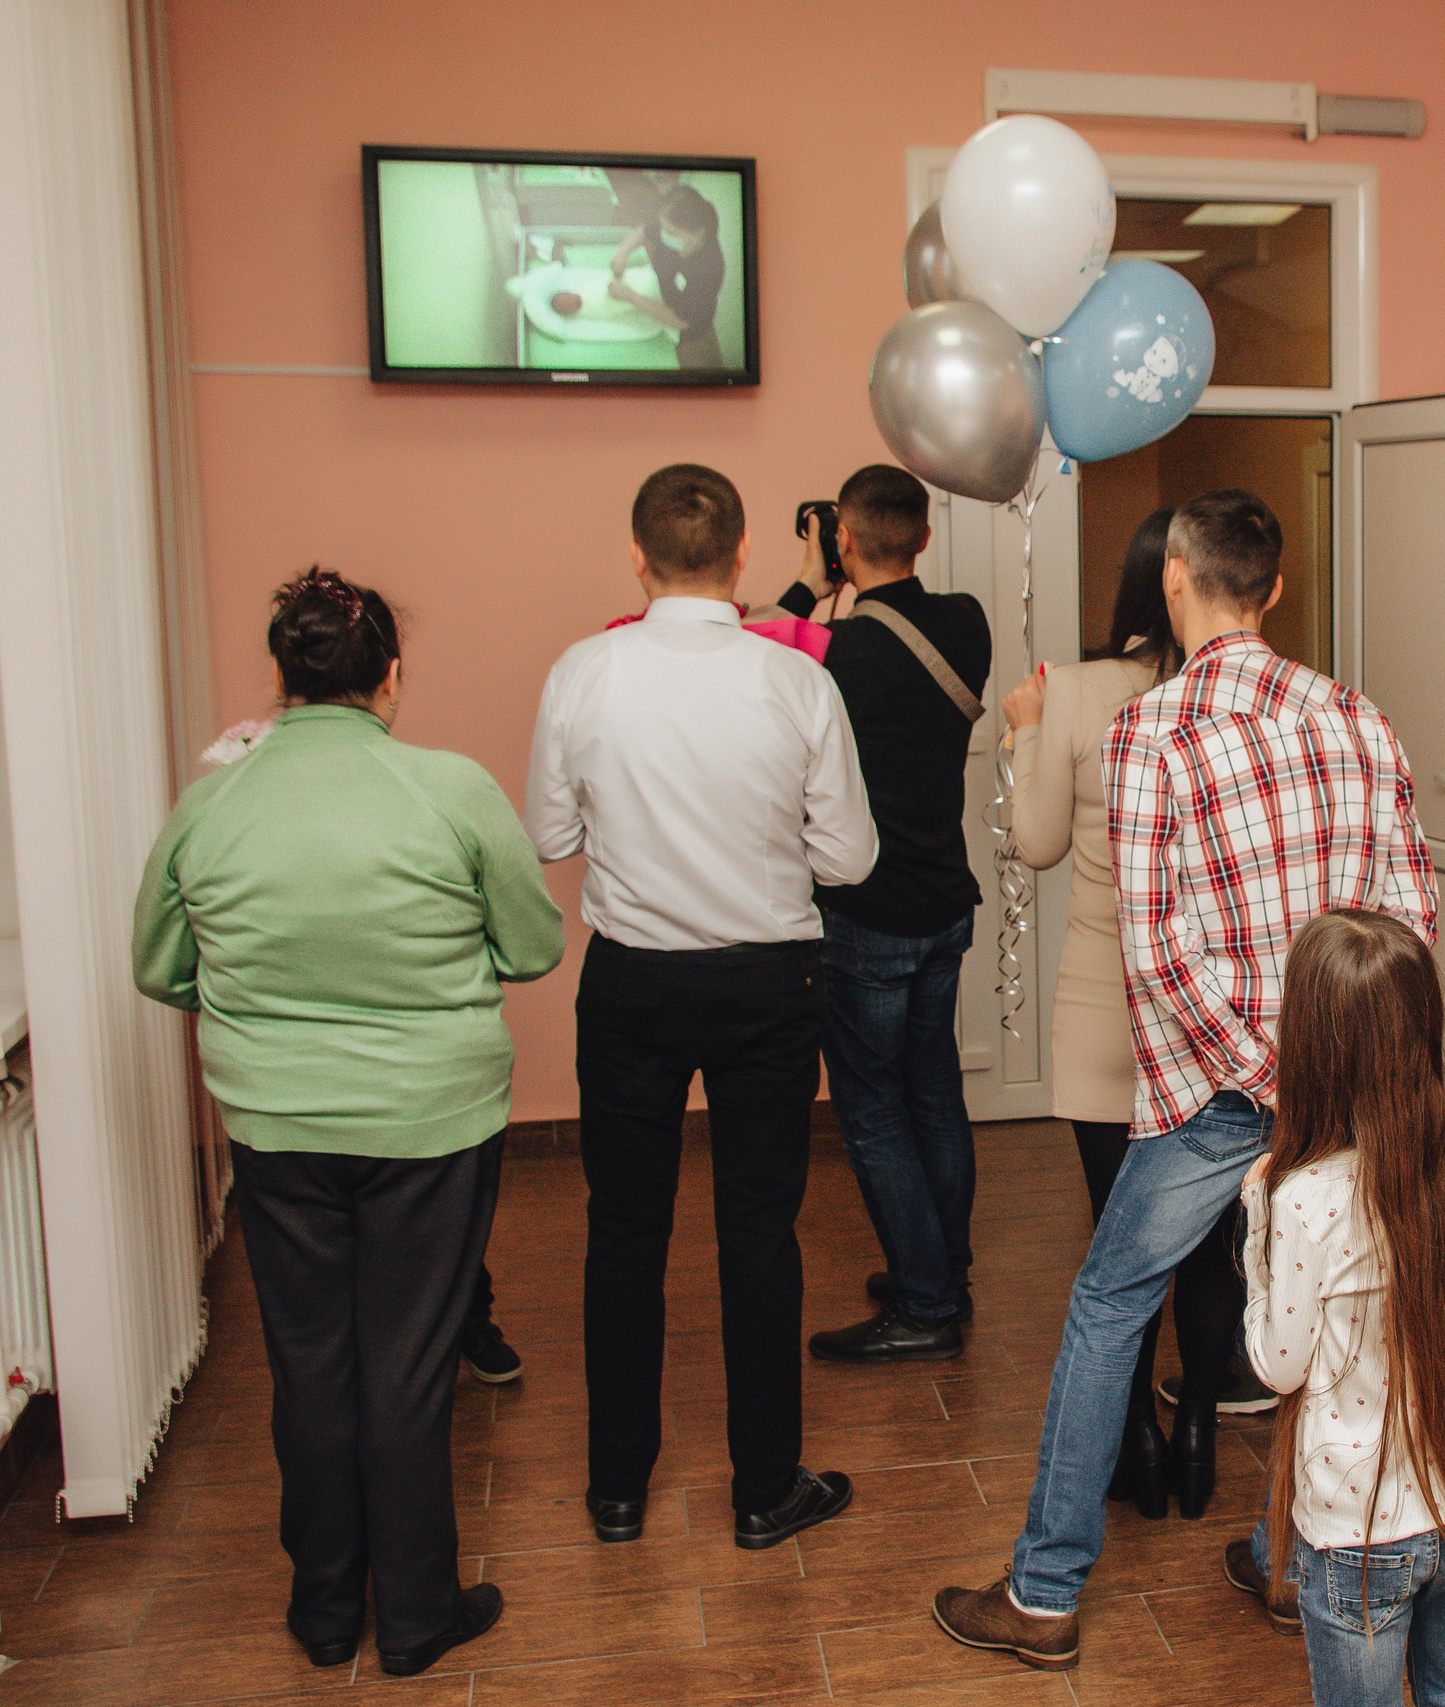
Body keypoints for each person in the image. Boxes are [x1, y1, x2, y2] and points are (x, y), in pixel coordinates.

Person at [928, 489, 1435, 1669]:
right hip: (1349, 1082)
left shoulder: (1150, 730)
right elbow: (1407, 919)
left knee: (1112, 1304)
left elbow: (1158, 955)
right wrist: (1321, 1077)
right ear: (1274, 587)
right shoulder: (1356, 716)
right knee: (1348, 1316)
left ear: (1173, 580)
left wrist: (1260, 1080)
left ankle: (1046, 1595)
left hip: (1219, 1090)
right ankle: (1291, 1560)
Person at [133, 570, 564, 1677]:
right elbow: (530, 949)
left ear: (280, 679)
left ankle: (325, 1612)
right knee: (408, 1367)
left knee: (309, 1364)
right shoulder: (450, 789)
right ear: (391, 679)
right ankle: (417, 1615)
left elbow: (162, 968)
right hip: (431, 1117)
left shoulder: (213, 801)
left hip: (276, 1126)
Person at [525, 463, 877, 1552]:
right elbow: (852, 858)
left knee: (623, 1233)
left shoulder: (583, 672)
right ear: (736, 563)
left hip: (632, 980)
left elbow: (549, 838)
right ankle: (764, 1489)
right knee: (758, 1232)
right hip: (770, 985)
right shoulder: (796, 686)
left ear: (637, 557)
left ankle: (617, 1489)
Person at [1005, 509, 1256, 1521]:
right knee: (1206, 1237)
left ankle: (1136, 1447)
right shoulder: (1240, 697)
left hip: (1106, 1007)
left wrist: (1024, 737)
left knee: (1121, 1238)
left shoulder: (1074, 693)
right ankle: (1197, 1422)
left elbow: (1034, 845)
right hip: (1215, 1011)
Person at [1241, 909, 1445, 1707]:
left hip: (1358, 1530)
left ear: (1314, 1045)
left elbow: (1276, 1363)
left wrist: (1259, 1217)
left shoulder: (1304, 1196)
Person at [775, 465, 994, 1364]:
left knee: (872, 1110)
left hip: (868, 912)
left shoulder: (836, 652)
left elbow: (760, 649)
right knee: (934, 1090)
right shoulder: (969, 621)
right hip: (946, 897)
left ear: (846, 542)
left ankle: (924, 1298)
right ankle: (944, 1262)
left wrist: (810, 577)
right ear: (927, 537)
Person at [608, 182, 726, 369]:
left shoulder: (709, 269)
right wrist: (622, 253)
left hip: (689, 328)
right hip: (663, 294)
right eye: (663, 227)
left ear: (697, 234)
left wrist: (629, 296)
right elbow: (646, 230)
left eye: (670, 232)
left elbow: (681, 320)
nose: (663, 234)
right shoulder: (670, 222)